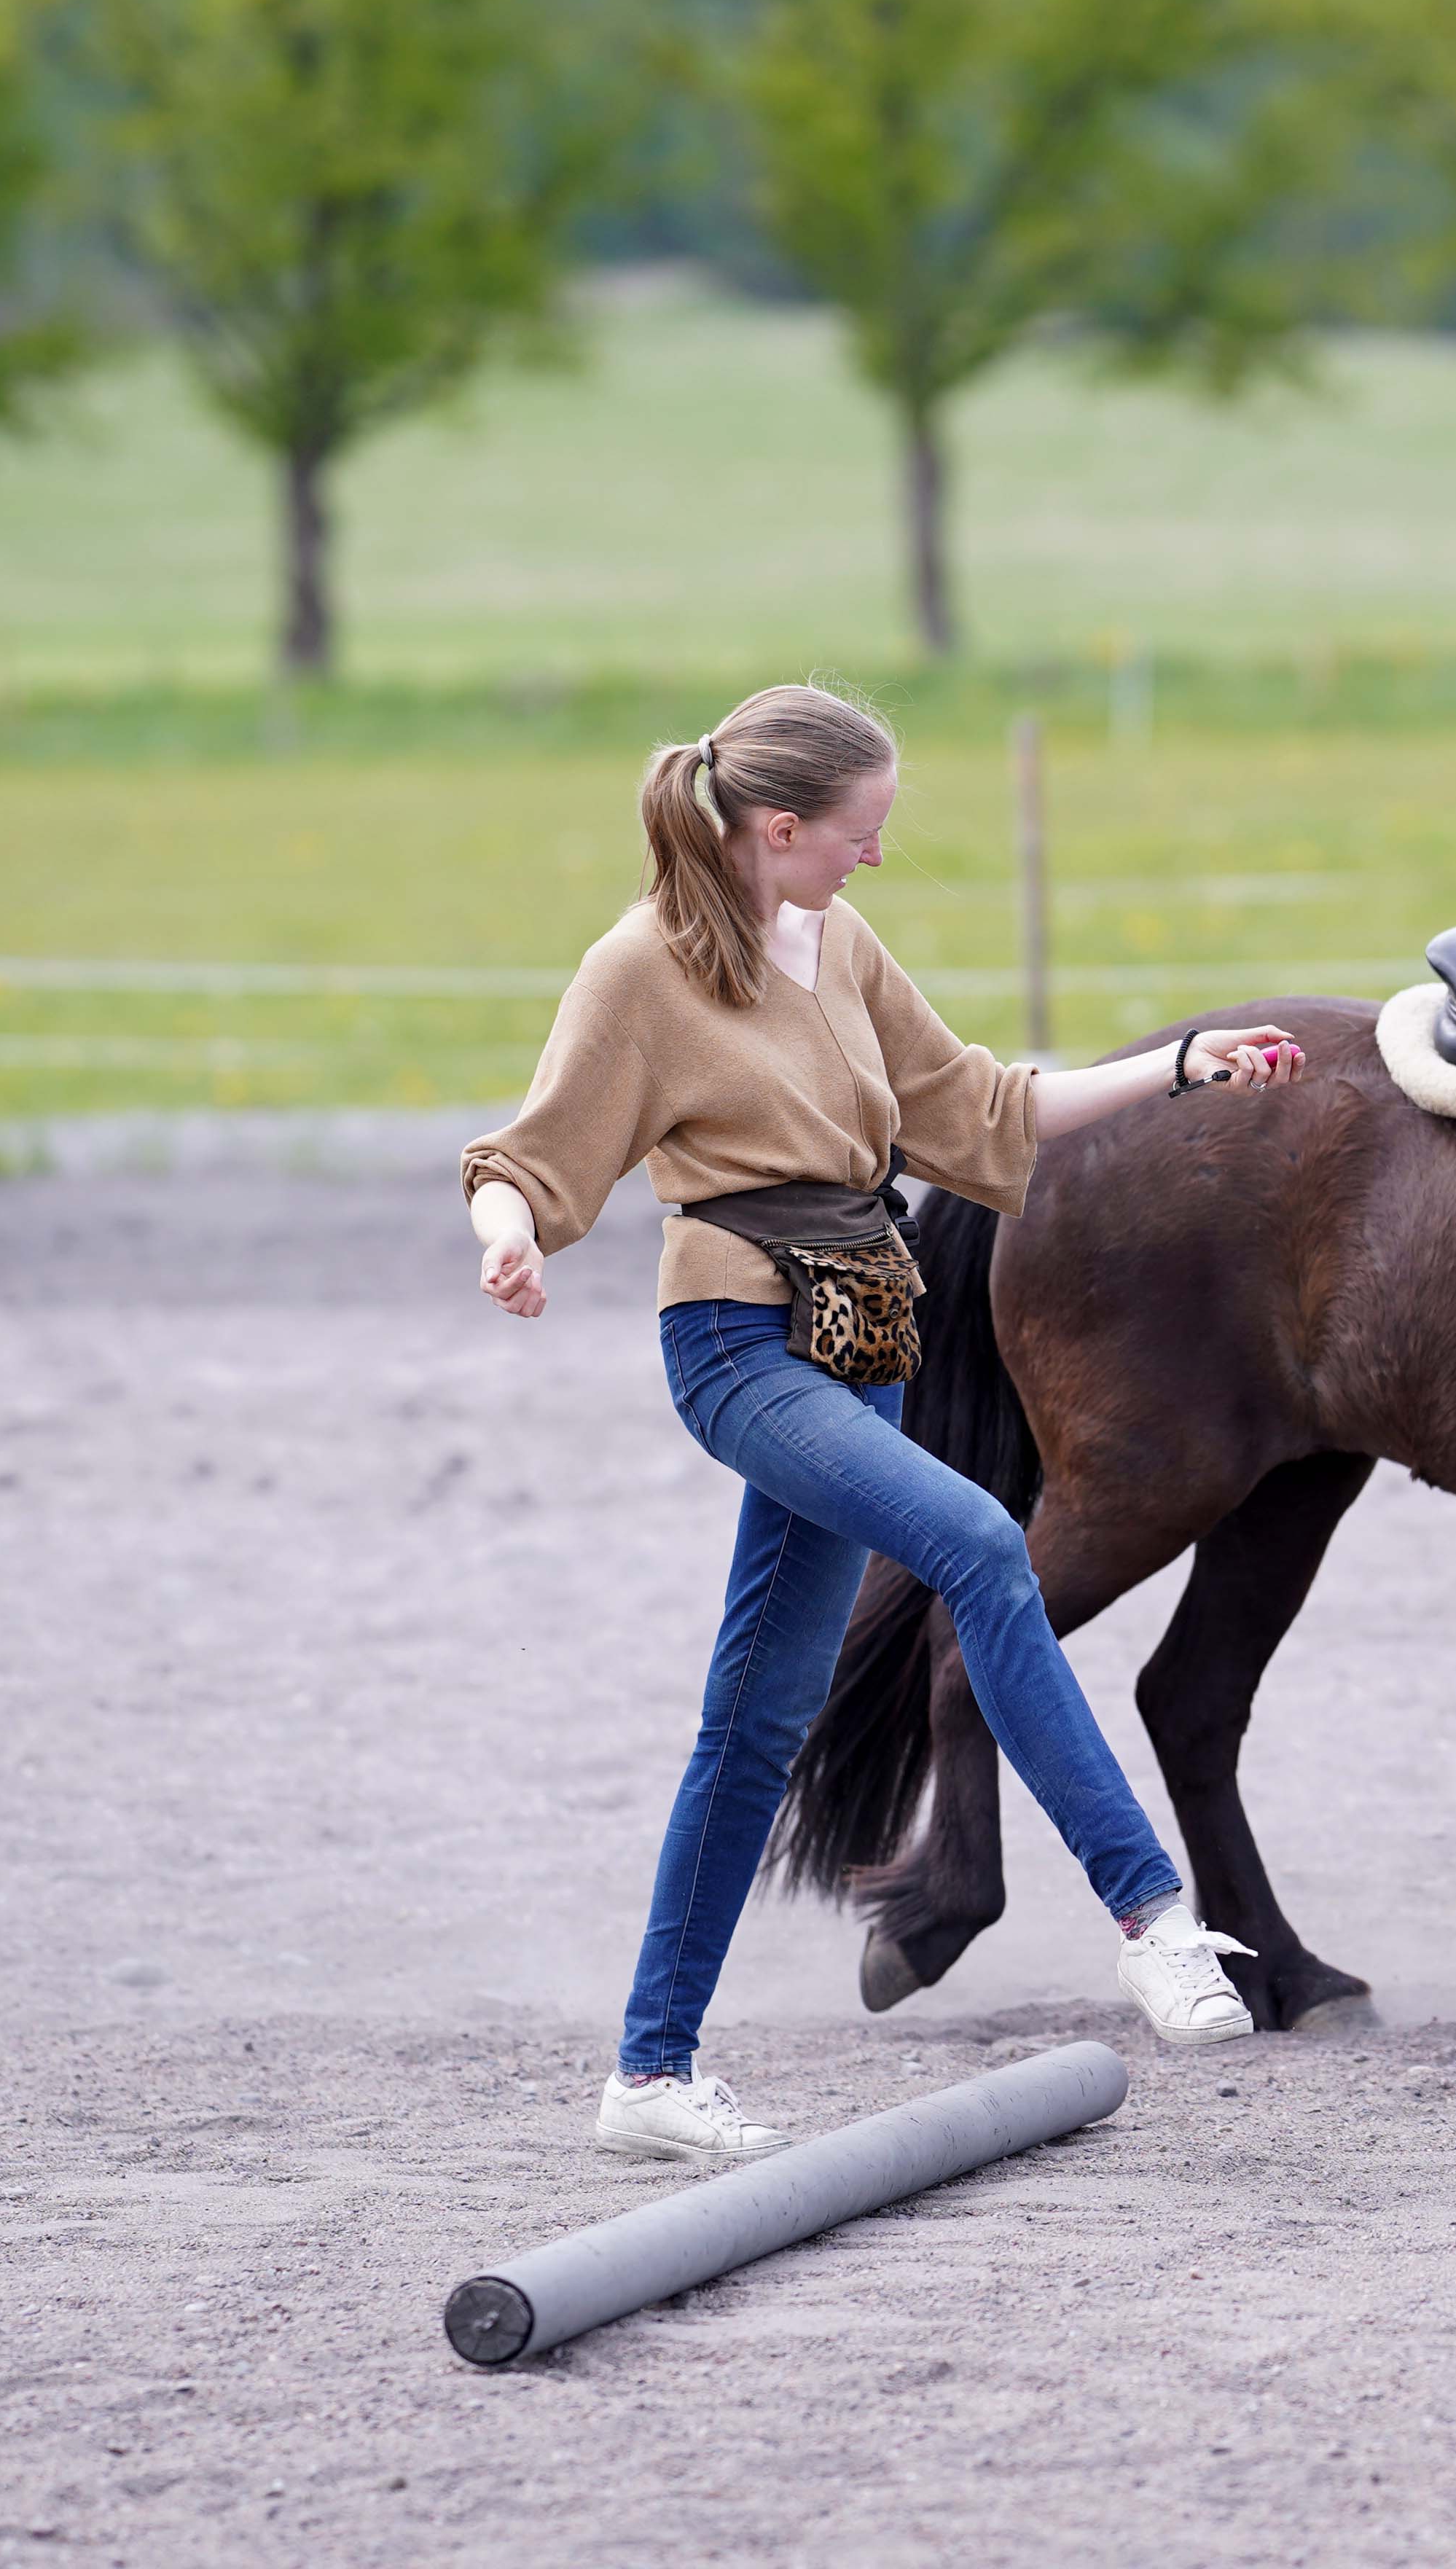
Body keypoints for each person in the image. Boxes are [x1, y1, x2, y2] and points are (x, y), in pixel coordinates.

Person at [461, 681, 1309, 2162]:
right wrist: (503, 1234)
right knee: (983, 1539)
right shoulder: (641, 968)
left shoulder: (838, 941)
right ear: (776, 828)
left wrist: (1183, 1068)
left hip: (867, 1344)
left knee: (753, 1728)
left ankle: (650, 2072)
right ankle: (1154, 1912)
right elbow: (529, 1155)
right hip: (737, 1348)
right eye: (859, 832)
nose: (873, 858)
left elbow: (974, 1104)